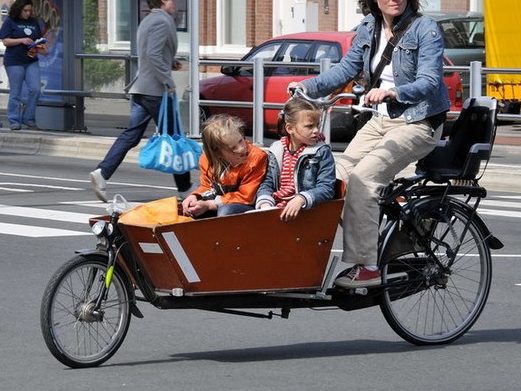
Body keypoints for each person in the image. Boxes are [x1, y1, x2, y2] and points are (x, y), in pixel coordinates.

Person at [289, 0, 450, 288]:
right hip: (379, 120)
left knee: (364, 179)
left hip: (418, 122)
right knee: (334, 180)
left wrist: (393, 92)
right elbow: (346, 69)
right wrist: (308, 87)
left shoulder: (425, 29)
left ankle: (369, 266)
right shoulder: (368, 27)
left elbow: (429, 81)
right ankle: (370, 241)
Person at [89, 0, 191, 202]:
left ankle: (102, 172)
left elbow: (150, 52)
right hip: (156, 91)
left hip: (141, 88)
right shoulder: (163, 21)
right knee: (175, 138)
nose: (176, 4)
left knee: (132, 135)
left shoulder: (148, 20)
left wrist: (170, 62)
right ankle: (185, 189)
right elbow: (153, 54)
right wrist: (167, 80)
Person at [255, 97, 336, 222]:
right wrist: (265, 202)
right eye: (309, 126)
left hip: (304, 211)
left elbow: (327, 188)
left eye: (317, 125)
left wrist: (301, 199)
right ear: (290, 128)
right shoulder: (277, 149)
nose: (316, 130)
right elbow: (267, 182)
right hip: (276, 208)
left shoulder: (321, 151)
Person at [182, 114, 268, 218]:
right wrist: (195, 196)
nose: (241, 149)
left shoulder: (256, 158)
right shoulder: (206, 161)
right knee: (191, 209)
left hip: (248, 205)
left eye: (241, 141)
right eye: (233, 148)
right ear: (217, 153)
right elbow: (207, 186)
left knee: (225, 212)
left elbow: (247, 196)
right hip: (222, 201)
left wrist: (210, 205)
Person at [0, 0, 46, 130]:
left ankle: (28, 117)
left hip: (31, 60)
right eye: (25, 10)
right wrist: (22, 40)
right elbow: (5, 41)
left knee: (36, 89)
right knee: (16, 92)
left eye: (29, 10)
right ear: (19, 9)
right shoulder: (10, 21)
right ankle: (14, 120)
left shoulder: (33, 22)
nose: (28, 13)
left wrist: (39, 46)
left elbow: (39, 40)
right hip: (14, 61)